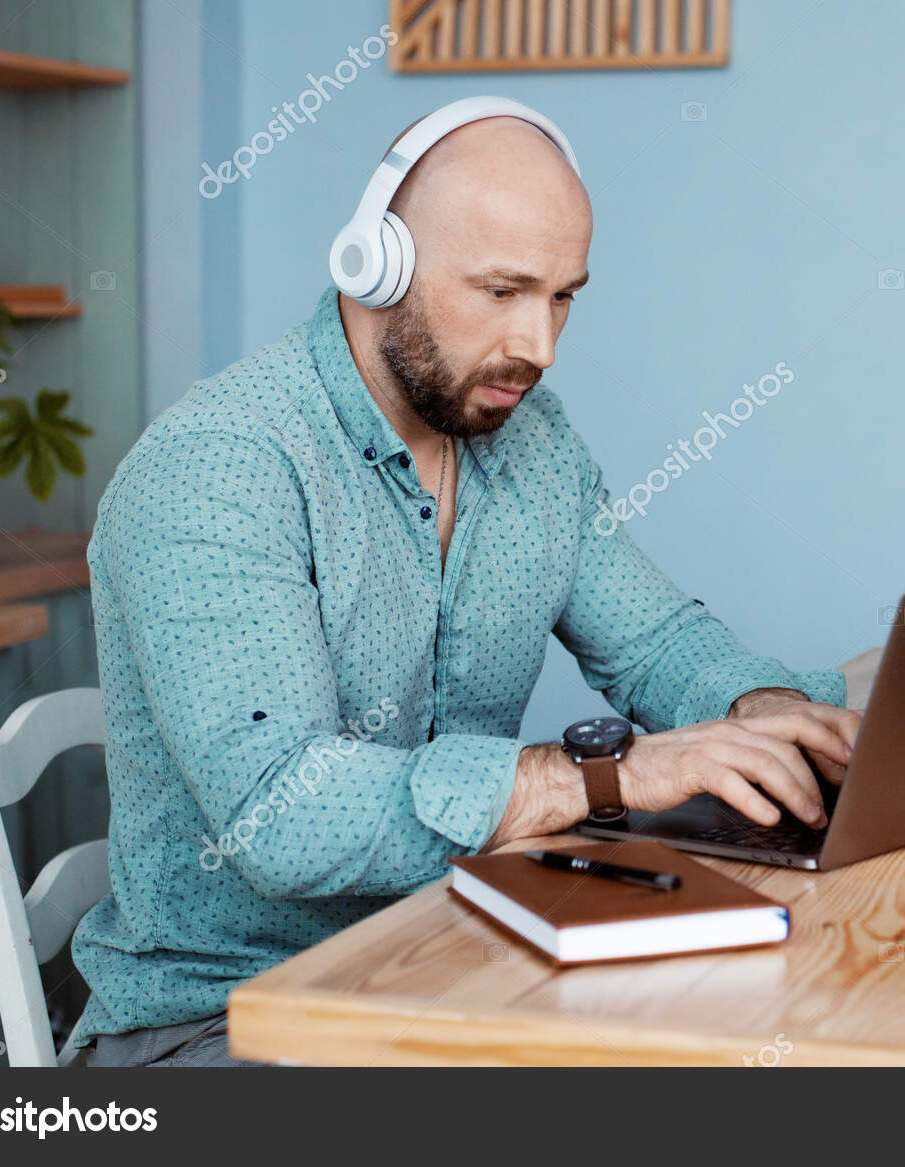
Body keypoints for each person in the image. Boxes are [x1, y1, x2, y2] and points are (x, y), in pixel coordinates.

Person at [71, 99, 859, 1067]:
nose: (541, 346)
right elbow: (283, 817)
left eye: (563, 295)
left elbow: (655, 643)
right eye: (502, 291)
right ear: (376, 266)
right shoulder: (221, 466)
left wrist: (768, 714)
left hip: (457, 958)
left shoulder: (528, 440)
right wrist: (607, 777)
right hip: (227, 1021)